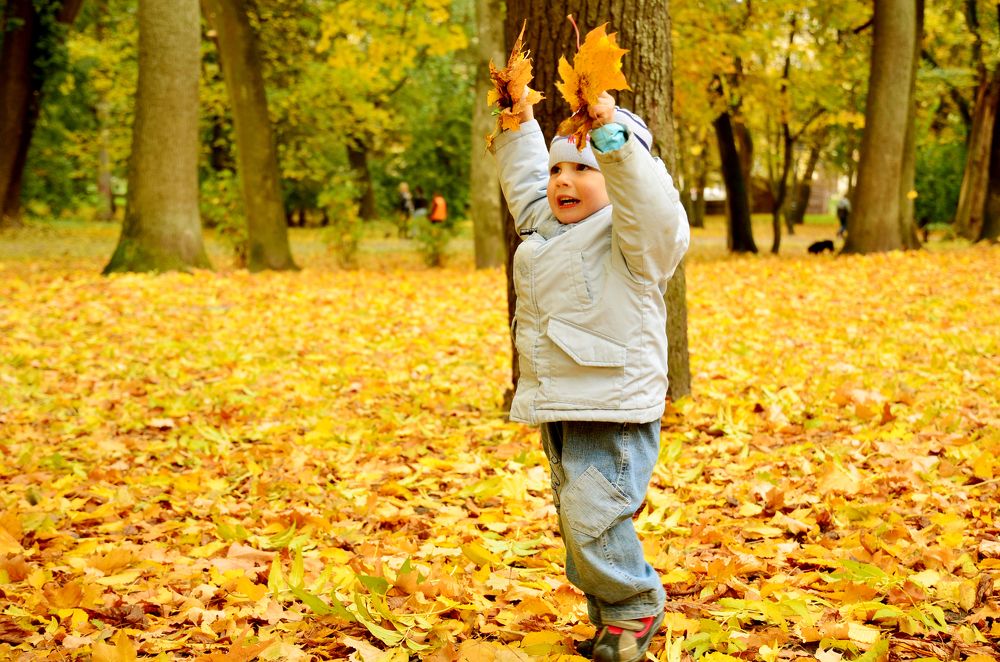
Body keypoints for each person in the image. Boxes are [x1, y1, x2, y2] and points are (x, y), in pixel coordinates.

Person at [489, 91, 689, 662]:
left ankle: (634, 605)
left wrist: (613, 140)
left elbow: (650, 209)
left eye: (583, 168)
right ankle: (611, 620)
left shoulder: (633, 238)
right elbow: (527, 189)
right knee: (577, 515)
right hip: (564, 397)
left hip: (614, 401)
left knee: (593, 510)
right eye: (557, 169)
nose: (562, 181)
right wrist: (518, 126)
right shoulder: (549, 226)